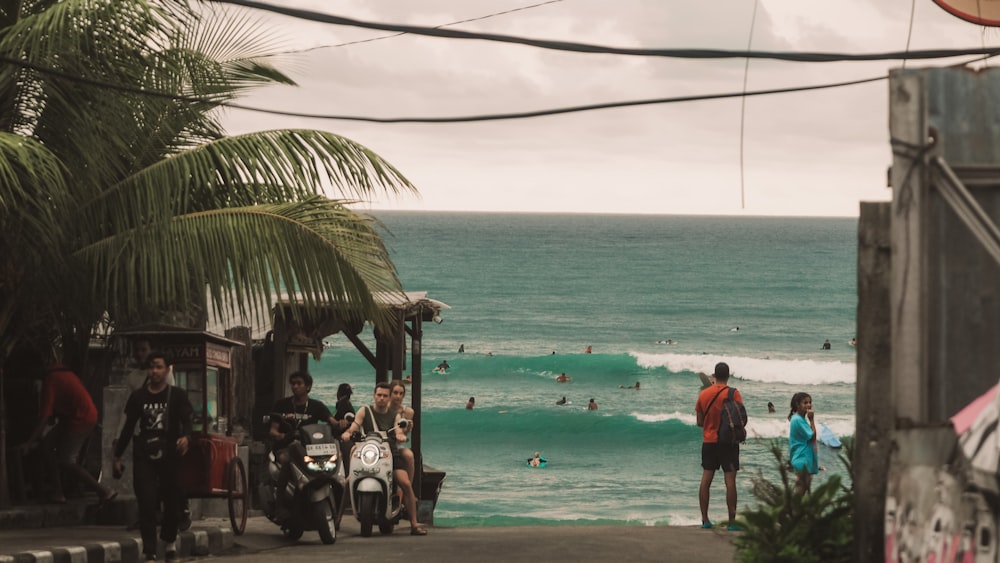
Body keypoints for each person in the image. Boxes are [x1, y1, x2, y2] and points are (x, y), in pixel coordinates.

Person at [113, 352, 193, 563]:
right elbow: (129, 427)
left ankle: (169, 541)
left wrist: (186, 437)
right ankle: (149, 550)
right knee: (146, 502)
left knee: (172, 500)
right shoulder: (138, 397)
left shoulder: (177, 395)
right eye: (151, 367)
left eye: (158, 367)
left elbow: (187, 421)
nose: (154, 371)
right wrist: (117, 455)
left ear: (168, 369)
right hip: (144, 454)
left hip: (170, 454)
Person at [21, 363, 117, 504]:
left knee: (66, 459)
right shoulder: (62, 372)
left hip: (81, 418)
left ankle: (103, 490)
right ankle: (57, 491)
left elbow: (44, 419)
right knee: (47, 445)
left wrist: (29, 444)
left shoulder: (51, 380)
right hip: (74, 416)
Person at [341, 382, 427, 536]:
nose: (381, 398)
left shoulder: (395, 415)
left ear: (389, 398)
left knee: (406, 483)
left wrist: (400, 434)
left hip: (390, 455)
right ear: (374, 395)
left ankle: (414, 523)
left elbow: (399, 428)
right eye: (379, 395)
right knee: (348, 481)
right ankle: (336, 520)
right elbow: (354, 426)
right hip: (368, 453)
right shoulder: (364, 410)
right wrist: (348, 433)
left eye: (385, 396)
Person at [268, 371, 338, 512]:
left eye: (299, 383)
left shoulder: (317, 406)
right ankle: (279, 503)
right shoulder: (282, 404)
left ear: (308, 387)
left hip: (309, 448)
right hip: (286, 447)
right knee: (287, 461)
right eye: (293, 384)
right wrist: (280, 435)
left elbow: (331, 421)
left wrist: (340, 424)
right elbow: (273, 430)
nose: (295, 387)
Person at [695, 362, 743, 531]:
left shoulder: (703, 394)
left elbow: (699, 422)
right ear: (728, 375)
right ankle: (731, 522)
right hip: (728, 443)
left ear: (714, 376)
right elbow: (741, 418)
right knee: (730, 481)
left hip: (709, 441)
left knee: (706, 480)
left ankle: (705, 520)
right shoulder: (733, 393)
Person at [788, 392, 819, 495]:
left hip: (803, 458)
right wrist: (812, 420)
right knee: (800, 492)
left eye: (810, 402)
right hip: (802, 458)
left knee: (803, 490)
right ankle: (792, 510)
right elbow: (813, 436)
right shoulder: (798, 420)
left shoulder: (799, 419)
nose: (809, 405)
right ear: (797, 405)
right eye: (805, 403)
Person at [389, 380, 417, 483]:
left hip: (397, 444)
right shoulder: (385, 408)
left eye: (401, 393)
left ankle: (408, 488)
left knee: (409, 456)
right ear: (390, 393)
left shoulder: (408, 412)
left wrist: (408, 429)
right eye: (395, 393)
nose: (398, 396)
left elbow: (403, 436)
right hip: (384, 442)